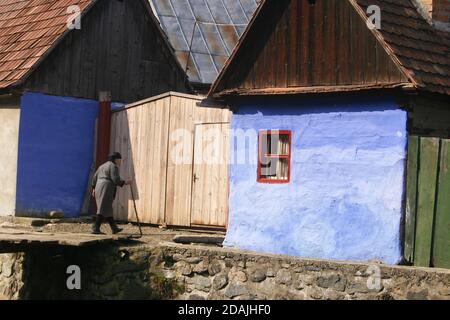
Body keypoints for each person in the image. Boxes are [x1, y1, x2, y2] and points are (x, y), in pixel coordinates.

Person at [91, 152, 131, 234]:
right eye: (120, 160)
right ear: (116, 160)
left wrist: (94, 188)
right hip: (106, 187)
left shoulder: (102, 166)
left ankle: (114, 228)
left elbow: (94, 177)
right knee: (102, 207)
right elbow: (115, 180)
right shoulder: (113, 166)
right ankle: (96, 227)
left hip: (99, 186)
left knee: (107, 208)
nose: (121, 162)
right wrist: (125, 182)